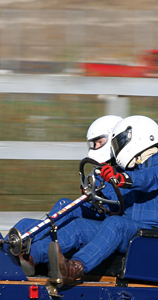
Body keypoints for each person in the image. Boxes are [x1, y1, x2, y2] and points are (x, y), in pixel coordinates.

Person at [48, 114, 158, 287]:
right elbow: (117, 197)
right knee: (77, 224)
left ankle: (74, 269)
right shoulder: (138, 169)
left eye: (120, 142)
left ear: (140, 136)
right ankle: (32, 255)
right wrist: (94, 196)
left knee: (116, 223)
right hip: (135, 232)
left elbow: (151, 178)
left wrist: (121, 178)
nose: (117, 148)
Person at [12, 114, 122, 276]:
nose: (96, 146)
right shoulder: (103, 168)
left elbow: (116, 203)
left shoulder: (124, 171)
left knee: (75, 227)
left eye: (100, 142)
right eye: (94, 143)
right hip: (100, 214)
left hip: (110, 223)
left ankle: (31, 255)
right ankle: (11, 246)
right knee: (62, 205)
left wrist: (98, 193)